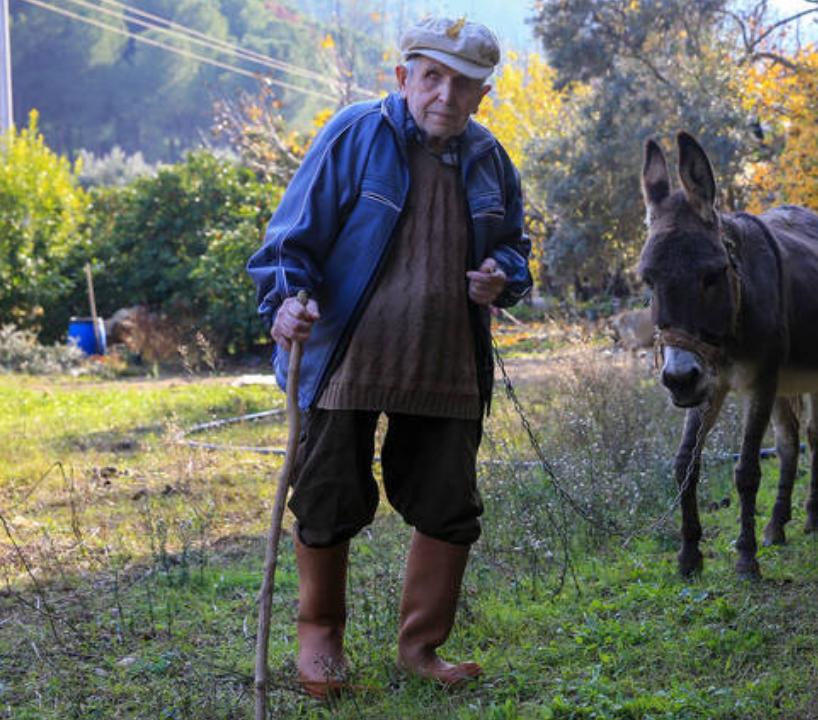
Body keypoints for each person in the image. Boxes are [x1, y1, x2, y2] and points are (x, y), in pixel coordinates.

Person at [245, 16, 531, 699]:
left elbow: (516, 248)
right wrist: (286, 302)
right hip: (345, 361)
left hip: (444, 362)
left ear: (482, 95)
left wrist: (503, 274)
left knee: (448, 502)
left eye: (463, 85)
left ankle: (420, 648)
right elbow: (289, 243)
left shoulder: (490, 158)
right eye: (432, 77)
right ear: (404, 77)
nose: (445, 96)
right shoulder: (355, 134)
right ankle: (320, 643)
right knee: (327, 497)